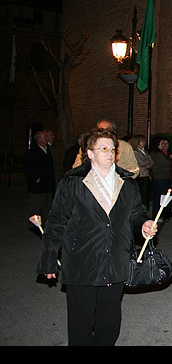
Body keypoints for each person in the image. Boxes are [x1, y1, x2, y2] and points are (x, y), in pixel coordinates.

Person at [36, 127, 157, 345]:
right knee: (81, 323)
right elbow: (55, 223)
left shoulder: (127, 183)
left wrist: (144, 224)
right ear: (89, 153)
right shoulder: (72, 183)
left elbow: (136, 214)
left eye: (112, 149)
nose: (110, 153)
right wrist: (48, 261)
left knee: (109, 323)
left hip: (116, 262)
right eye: (103, 148)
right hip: (82, 262)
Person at [72, 119, 139, 178]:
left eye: (112, 150)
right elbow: (77, 167)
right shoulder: (88, 145)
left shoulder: (125, 146)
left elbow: (134, 169)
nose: (104, 133)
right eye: (101, 130)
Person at [25, 131, 55, 224]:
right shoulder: (33, 151)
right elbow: (28, 166)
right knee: (36, 206)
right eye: (44, 137)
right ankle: (35, 225)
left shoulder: (47, 150)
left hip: (47, 183)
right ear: (39, 139)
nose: (47, 138)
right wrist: (35, 178)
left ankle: (45, 224)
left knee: (46, 206)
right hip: (37, 185)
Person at [150, 137, 172, 221]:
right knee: (158, 198)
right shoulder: (156, 154)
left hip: (164, 177)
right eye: (161, 144)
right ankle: (156, 216)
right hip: (159, 178)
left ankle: (162, 215)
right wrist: (170, 159)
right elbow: (166, 162)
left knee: (163, 198)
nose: (163, 146)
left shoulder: (161, 153)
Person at [130, 135, 153, 210]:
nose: (145, 142)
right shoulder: (135, 152)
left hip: (146, 174)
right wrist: (147, 163)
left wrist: (147, 164)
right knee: (141, 191)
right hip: (140, 175)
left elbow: (151, 161)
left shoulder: (145, 151)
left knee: (145, 192)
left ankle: (144, 205)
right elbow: (141, 163)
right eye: (143, 141)